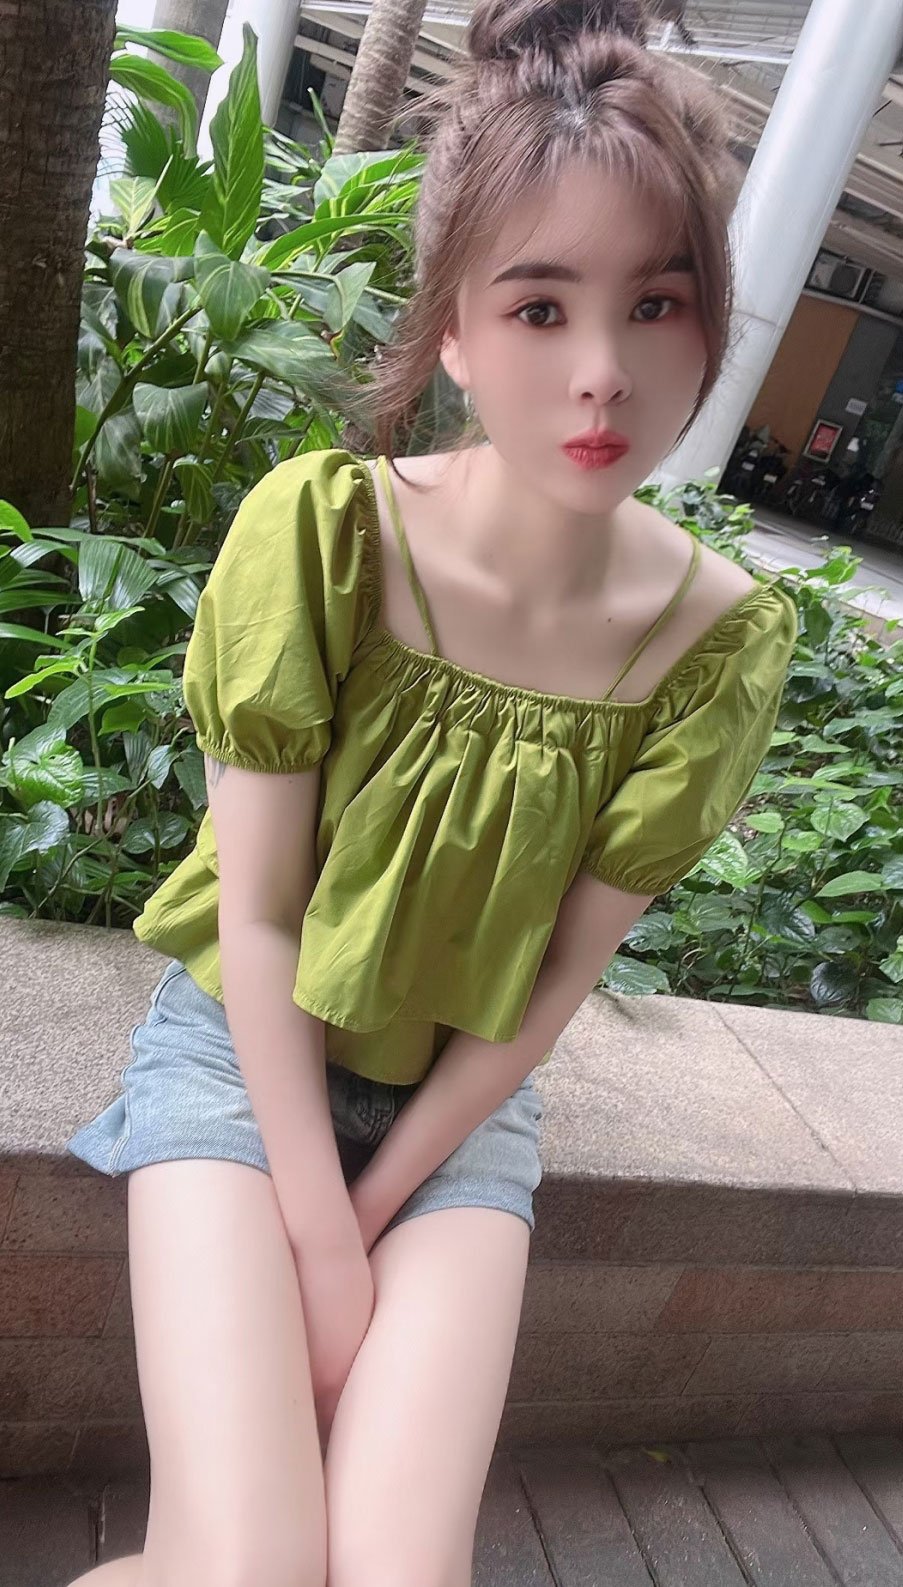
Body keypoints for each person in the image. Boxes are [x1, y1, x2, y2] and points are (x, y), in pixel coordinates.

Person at [64, 1, 798, 1583]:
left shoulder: (717, 643)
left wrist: (381, 1204)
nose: (603, 373)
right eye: (539, 306)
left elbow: (549, 986)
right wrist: (320, 1237)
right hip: (242, 1058)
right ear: (454, 329)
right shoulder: (325, 535)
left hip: (458, 1111)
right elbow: (260, 919)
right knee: (245, 1568)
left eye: (657, 303)